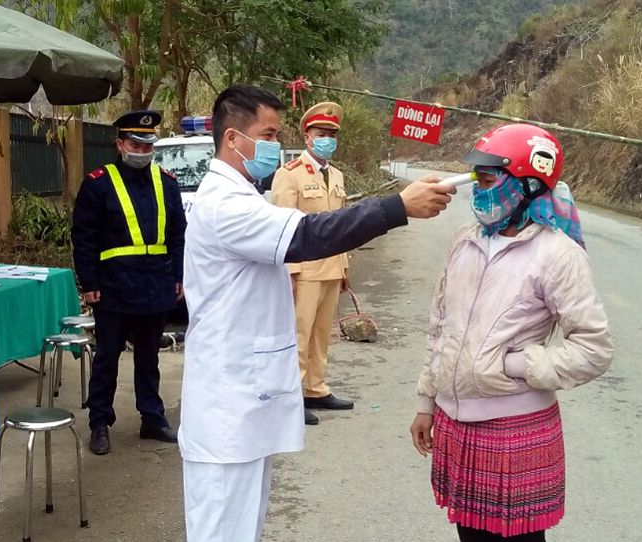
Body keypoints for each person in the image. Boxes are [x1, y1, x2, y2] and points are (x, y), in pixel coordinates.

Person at [180, 84, 455, 542]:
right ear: (232, 138)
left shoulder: (244, 193)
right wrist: (396, 208)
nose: (274, 145)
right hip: (227, 404)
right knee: (222, 530)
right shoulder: (224, 204)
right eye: (267, 135)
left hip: (243, 399)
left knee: (242, 528)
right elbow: (308, 235)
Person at [409, 124, 614, 541]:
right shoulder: (464, 241)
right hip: (455, 423)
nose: (478, 192)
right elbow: (440, 325)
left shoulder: (558, 255)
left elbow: (593, 349)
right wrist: (426, 401)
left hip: (514, 428)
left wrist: (517, 365)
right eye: (478, 182)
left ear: (528, 185)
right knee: (470, 535)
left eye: (487, 181)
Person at [72, 110, 187, 455]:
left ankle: (152, 418)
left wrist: (179, 276)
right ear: (120, 144)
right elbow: (84, 237)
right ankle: (99, 422)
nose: (142, 151)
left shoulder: (166, 182)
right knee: (107, 357)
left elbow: (179, 235)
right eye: (136, 144)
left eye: (147, 145)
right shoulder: (98, 183)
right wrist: (89, 282)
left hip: (156, 285)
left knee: (149, 358)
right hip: (113, 287)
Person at [271, 101, 353, 425]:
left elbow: (341, 225)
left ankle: (315, 388)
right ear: (307, 137)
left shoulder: (337, 175)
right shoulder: (288, 175)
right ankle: (291, 396)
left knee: (321, 334)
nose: (327, 139)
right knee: (298, 335)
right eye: (321, 134)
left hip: (331, 268)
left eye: (332, 134)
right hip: (304, 270)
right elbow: (283, 227)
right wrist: (289, 271)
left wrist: (344, 266)